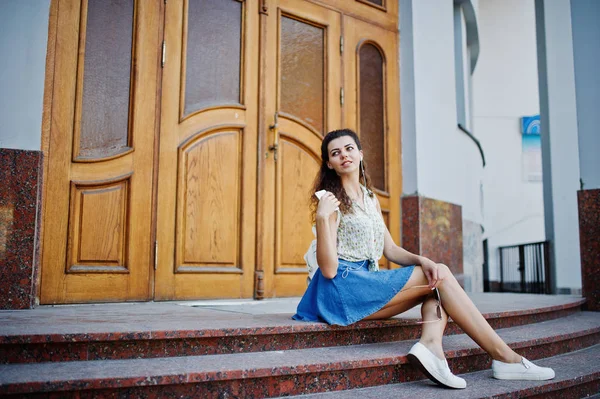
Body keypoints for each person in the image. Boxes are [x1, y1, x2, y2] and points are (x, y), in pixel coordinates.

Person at [292, 129, 555, 389]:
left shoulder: (369, 198)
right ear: (330, 163)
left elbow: (391, 249)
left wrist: (423, 260)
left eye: (349, 149)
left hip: (363, 286)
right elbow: (328, 271)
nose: (344, 155)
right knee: (440, 278)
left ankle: (431, 346)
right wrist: (322, 217)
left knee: (434, 282)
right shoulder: (330, 201)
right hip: (342, 287)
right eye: (335, 153)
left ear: (360, 154)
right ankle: (505, 357)